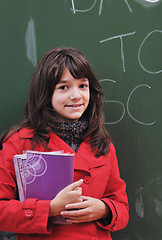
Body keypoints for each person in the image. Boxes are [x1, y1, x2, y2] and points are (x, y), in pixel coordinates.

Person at [0, 47, 129, 240]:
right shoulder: (19, 142)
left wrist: (103, 209)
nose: (76, 96)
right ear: (45, 93)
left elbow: (122, 207)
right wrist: (49, 209)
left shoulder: (102, 143)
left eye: (83, 86)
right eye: (63, 87)